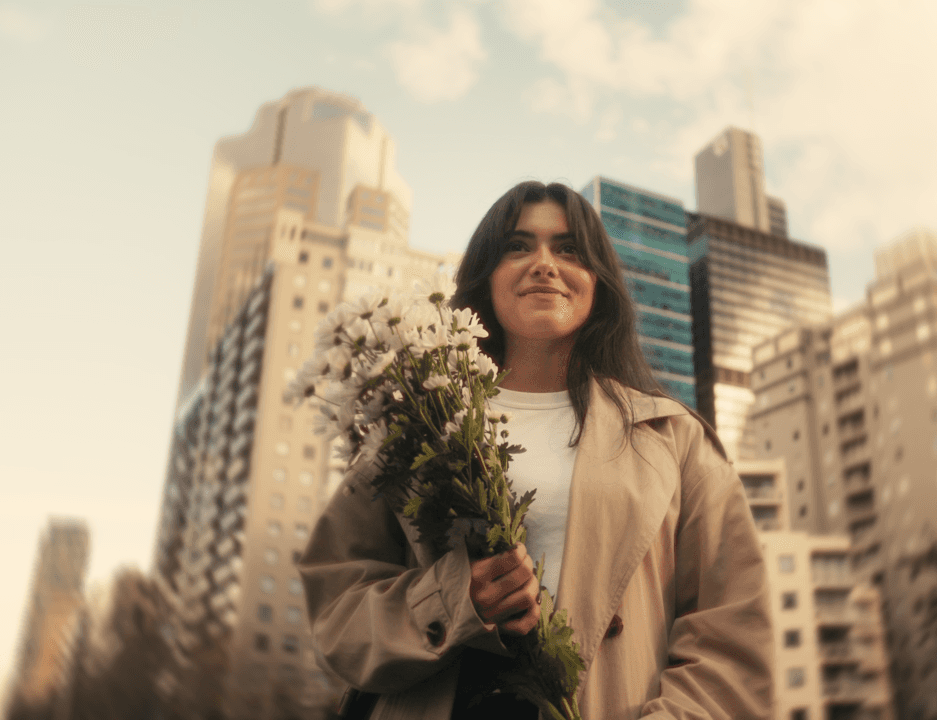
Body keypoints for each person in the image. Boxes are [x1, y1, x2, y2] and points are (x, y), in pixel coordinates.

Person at [299, 181, 773, 720]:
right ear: (484, 276)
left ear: (599, 281)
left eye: (569, 249)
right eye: (518, 246)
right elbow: (337, 602)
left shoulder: (675, 436)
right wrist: (455, 600)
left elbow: (734, 626)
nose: (544, 264)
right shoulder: (411, 425)